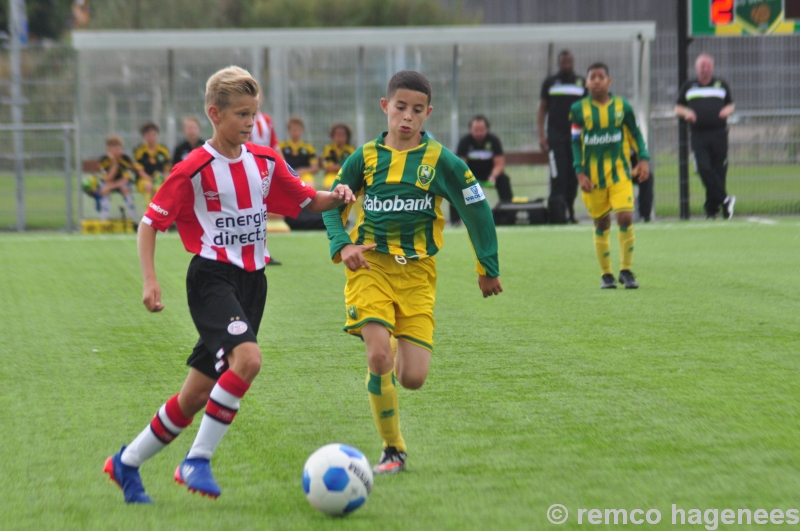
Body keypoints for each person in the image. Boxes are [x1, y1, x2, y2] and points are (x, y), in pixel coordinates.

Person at [103, 65, 355, 504]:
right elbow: (149, 223)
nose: (248, 122)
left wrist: (338, 196)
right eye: (240, 114)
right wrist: (150, 280)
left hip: (253, 283)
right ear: (214, 114)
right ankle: (196, 460)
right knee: (249, 360)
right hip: (211, 278)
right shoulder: (194, 168)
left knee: (196, 393)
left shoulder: (265, 161)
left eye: (253, 114)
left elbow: (305, 199)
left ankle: (125, 463)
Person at [322, 70, 503, 475]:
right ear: (386, 107)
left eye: (416, 110)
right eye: (400, 107)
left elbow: (476, 208)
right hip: (371, 266)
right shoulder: (365, 158)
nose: (407, 117)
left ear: (427, 114)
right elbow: (334, 205)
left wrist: (487, 267)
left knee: (413, 378)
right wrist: (343, 244)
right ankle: (393, 448)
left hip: (418, 275)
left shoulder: (441, 160)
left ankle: (395, 357)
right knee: (379, 354)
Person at [569, 62, 650, 289]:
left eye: (601, 76)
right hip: (593, 180)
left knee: (625, 217)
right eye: (592, 77)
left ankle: (626, 270)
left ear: (609, 81)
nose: (596, 81)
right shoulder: (578, 110)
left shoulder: (622, 106)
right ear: (586, 82)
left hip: (620, 175)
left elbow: (635, 134)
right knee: (602, 222)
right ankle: (606, 274)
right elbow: (575, 143)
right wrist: (580, 173)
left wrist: (643, 158)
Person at [675, 53, 736, 220]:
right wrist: (686, 112)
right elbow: (678, 107)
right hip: (698, 135)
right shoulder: (689, 86)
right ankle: (725, 200)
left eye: (708, 65)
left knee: (718, 172)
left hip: (719, 134)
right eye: (702, 66)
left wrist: (727, 110)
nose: (705, 69)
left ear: (713, 67)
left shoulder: (721, 84)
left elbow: (731, 104)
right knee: (704, 168)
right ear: (696, 68)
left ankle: (712, 210)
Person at [538, 50, 586, 224]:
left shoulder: (581, 82)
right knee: (558, 177)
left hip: (576, 138)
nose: (566, 65)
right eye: (563, 62)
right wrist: (542, 136)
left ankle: (571, 211)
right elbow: (542, 109)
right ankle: (558, 213)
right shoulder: (550, 82)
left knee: (573, 177)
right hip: (555, 137)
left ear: (573, 62)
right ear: (559, 63)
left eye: (569, 61)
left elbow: (588, 109)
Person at [450, 115, 514, 226]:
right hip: (470, 175)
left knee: (504, 180)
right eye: (476, 130)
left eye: (482, 130)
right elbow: (461, 165)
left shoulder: (494, 141)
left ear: (487, 129)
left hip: (489, 175)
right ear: (471, 130)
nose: (479, 133)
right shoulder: (464, 142)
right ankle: (455, 221)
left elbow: (499, 164)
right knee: (454, 185)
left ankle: (508, 216)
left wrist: (493, 176)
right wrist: (469, 179)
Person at [96, 135, 147, 224]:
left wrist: (110, 186)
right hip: (109, 183)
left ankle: (135, 222)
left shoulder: (125, 159)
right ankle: (103, 222)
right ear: (109, 150)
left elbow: (125, 179)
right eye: (115, 149)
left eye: (120, 149)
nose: (119, 152)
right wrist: (114, 163)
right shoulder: (103, 160)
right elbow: (107, 179)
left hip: (120, 183)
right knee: (104, 192)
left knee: (125, 189)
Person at [133, 121, 171, 202]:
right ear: (144, 136)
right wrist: (153, 180)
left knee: (167, 185)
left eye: (153, 135)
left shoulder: (164, 150)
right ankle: (149, 212)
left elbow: (166, 169)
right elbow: (140, 171)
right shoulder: (139, 150)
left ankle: (166, 211)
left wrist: (163, 179)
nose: (151, 138)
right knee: (149, 186)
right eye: (148, 135)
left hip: (160, 178)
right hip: (144, 180)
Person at [279, 117, 319, 189]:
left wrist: (301, 171)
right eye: (294, 130)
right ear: (289, 131)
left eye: (299, 130)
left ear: (302, 131)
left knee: (310, 187)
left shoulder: (309, 148)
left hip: (304, 174)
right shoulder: (281, 147)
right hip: (286, 175)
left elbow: (315, 168)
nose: (296, 133)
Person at [322, 123, 356, 191]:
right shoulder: (328, 149)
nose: (340, 138)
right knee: (330, 188)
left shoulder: (351, 150)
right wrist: (342, 166)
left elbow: (352, 168)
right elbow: (327, 167)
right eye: (338, 135)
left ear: (347, 137)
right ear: (333, 136)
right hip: (331, 175)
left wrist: (337, 167)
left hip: (346, 176)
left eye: (342, 135)